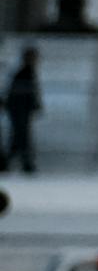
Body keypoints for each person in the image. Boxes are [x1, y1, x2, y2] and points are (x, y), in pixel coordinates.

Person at [2, 45, 37, 175]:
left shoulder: (25, 72)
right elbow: (23, 92)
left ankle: (9, 162)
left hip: (20, 110)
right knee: (21, 136)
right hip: (19, 110)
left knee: (18, 137)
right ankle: (24, 163)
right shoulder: (25, 73)